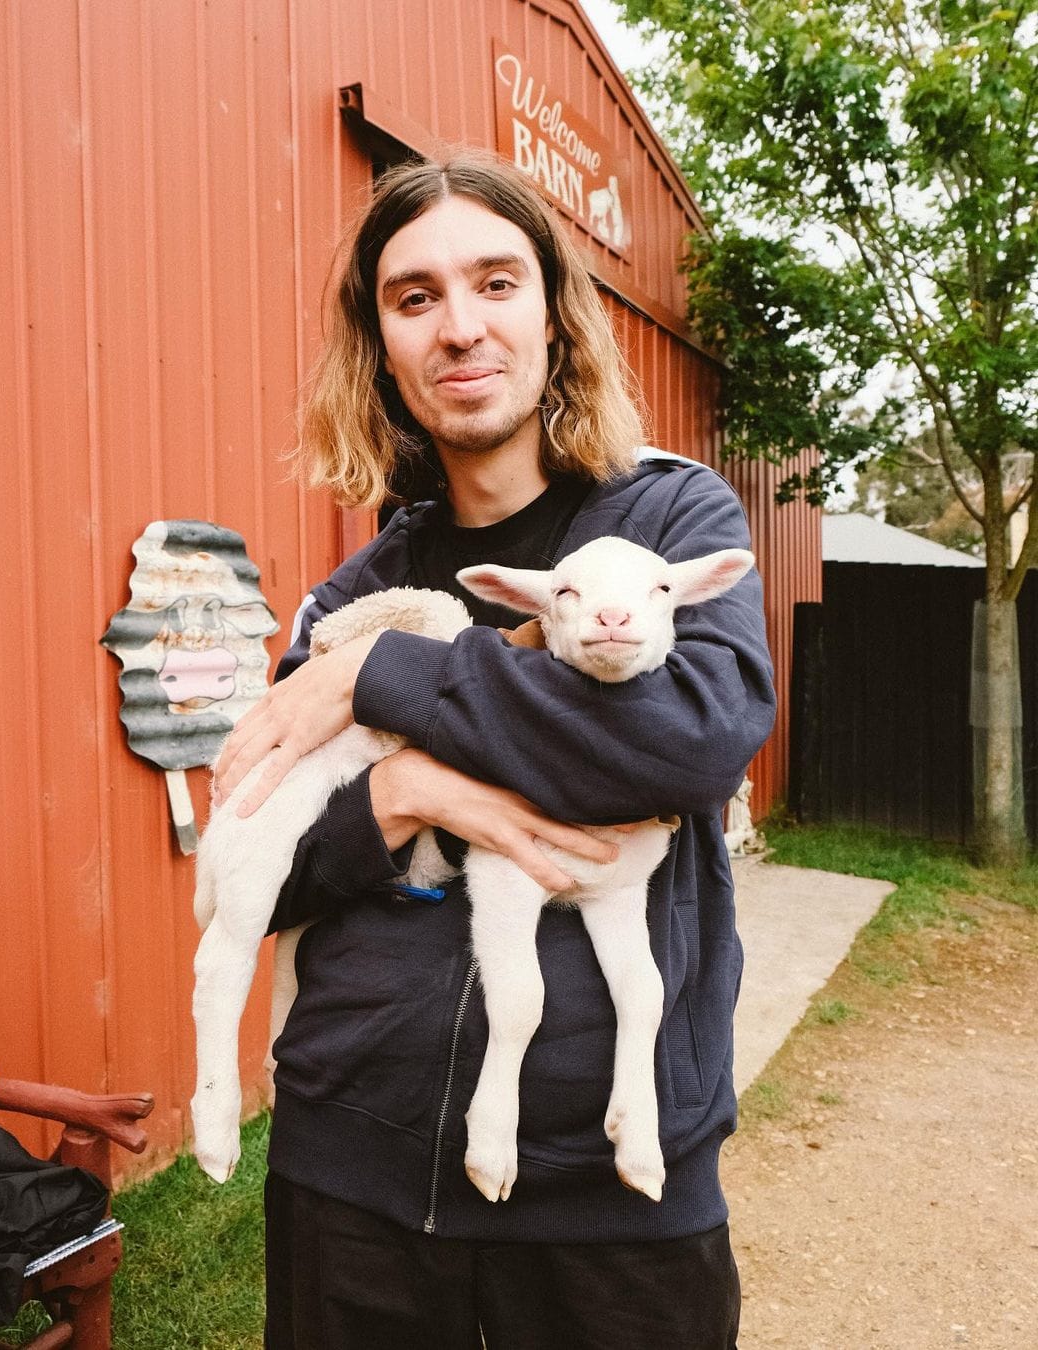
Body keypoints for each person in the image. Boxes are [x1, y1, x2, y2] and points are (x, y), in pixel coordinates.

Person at [213, 149, 776, 1350]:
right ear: (381, 347)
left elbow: (693, 737)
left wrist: (384, 677)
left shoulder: (670, 521)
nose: (460, 327)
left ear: (556, 315)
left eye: (496, 283)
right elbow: (259, 867)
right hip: (353, 1175)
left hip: (608, 1188)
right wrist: (404, 791)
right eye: (414, 297)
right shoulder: (354, 595)